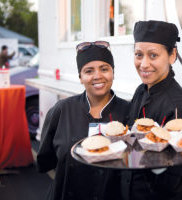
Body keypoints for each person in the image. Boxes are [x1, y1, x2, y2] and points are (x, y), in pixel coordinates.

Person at [37, 41, 129, 200]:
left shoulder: (129, 111)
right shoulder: (61, 110)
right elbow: (45, 160)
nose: (97, 76)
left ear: (113, 73)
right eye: (89, 71)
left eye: (104, 69)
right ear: (80, 77)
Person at [121, 20, 182, 200]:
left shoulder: (179, 107)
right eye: (138, 54)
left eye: (153, 55)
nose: (143, 64)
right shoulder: (141, 90)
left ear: (173, 55)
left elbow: (172, 181)